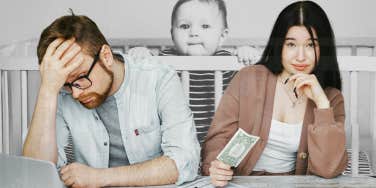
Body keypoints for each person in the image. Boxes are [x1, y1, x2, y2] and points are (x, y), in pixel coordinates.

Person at [22, 13, 200, 187]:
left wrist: (99, 178)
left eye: (81, 78)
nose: (75, 94)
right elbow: (36, 174)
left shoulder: (158, 78)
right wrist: (48, 89)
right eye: (66, 85)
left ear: (105, 56)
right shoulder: (61, 94)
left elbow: (184, 162)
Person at [201, 1, 348, 187]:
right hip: (239, 181)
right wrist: (215, 166)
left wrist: (322, 104)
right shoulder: (248, 78)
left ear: (323, 49)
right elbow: (218, 137)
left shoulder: (331, 98)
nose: (301, 56)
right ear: (279, 45)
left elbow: (329, 169)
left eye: (311, 45)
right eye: (291, 44)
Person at [128, 0, 261, 144]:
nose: (193, 33)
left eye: (205, 26)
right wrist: (142, 54)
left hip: (217, 142)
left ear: (222, 36)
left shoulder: (229, 61)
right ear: (173, 34)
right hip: (173, 143)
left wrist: (246, 54)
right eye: (184, 26)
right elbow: (143, 71)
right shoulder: (164, 60)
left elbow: (253, 83)